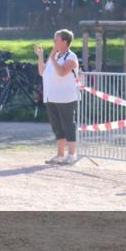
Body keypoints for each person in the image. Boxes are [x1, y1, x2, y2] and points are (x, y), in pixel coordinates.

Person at [35, 29, 80, 165]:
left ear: (65, 42)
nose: (54, 42)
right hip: (51, 97)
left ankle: (72, 154)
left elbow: (61, 72)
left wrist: (53, 57)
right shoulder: (55, 57)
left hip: (66, 97)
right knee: (57, 127)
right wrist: (41, 56)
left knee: (68, 125)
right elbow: (42, 72)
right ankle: (60, 155)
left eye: (57, 39)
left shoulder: (71, 57)